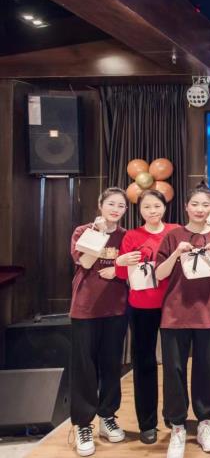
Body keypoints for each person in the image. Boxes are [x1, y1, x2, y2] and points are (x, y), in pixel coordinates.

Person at [155, 186, 210, 458]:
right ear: (186, 207)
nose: (200, 209)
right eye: (195, 204)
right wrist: (176, 254)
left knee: (207, 370)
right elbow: (159, 273)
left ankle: (205, 422)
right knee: (174, 371)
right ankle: (177, 426)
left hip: (208, 312)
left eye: (205, 205)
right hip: (175, 313)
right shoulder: (172, 236)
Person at [115, 189, 180, 445]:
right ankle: (147, 423)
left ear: (165, 207)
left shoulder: (175, 231)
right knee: (144, 363)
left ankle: (174, 416)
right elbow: (123, 275)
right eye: (147, 207)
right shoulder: (132, 236)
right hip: (141, 306)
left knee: (175, 363)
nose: (152, 211)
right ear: (139, 210)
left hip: (173, 305)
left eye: (156, 206)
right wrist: (121, 261)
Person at [69, 188, 129, 457]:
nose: (115, 209)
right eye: (111, 204)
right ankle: (83, 424)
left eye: (121, 205)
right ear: (100, 205)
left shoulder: (126, 236)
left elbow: (131, 270)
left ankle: (107, 416)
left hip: (116, 309)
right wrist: (100, 233)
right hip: (85, 308)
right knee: (84, 367)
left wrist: (118, 268)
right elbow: (85, 262)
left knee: (111, 365)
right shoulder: (83, 231)